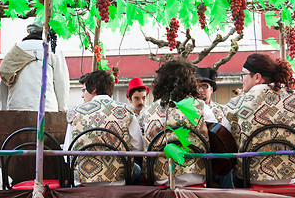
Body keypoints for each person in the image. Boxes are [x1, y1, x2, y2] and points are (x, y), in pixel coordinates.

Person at [223, 53, 295, 187]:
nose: (241, 79)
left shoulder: (235, 105)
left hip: (250, 177)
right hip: (294, 175)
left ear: (257, 77)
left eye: (243, 75)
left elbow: (224, 142)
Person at [66, 70, 143, 185]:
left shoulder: (75, 113)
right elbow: (138, 148)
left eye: (85, 90)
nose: (83, 95)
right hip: (119, 180)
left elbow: (67, 152)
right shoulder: (126, 111)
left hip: (83, 181)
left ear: (93, 89)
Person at [141, 59, 210, 187]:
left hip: (160, 177)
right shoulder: (201, 106)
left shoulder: (147, 112)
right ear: (189, 82)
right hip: (195, 174)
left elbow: (140, 144)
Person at [0, 22, 69, 112]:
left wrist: (4, 108)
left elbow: (4, 80)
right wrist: (62, 108)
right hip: (47, 107)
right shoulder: (53, 51)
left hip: (18, 107)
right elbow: (61, 82)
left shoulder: (14, 51)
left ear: (29, 32)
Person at [195, 67, 234, 188]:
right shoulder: (188, 110)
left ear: (211, 89)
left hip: (217, 161)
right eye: (197, 86)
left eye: (205, 86)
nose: (200, 90)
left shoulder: (223, 111)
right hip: (196, 160)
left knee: (228, 170)